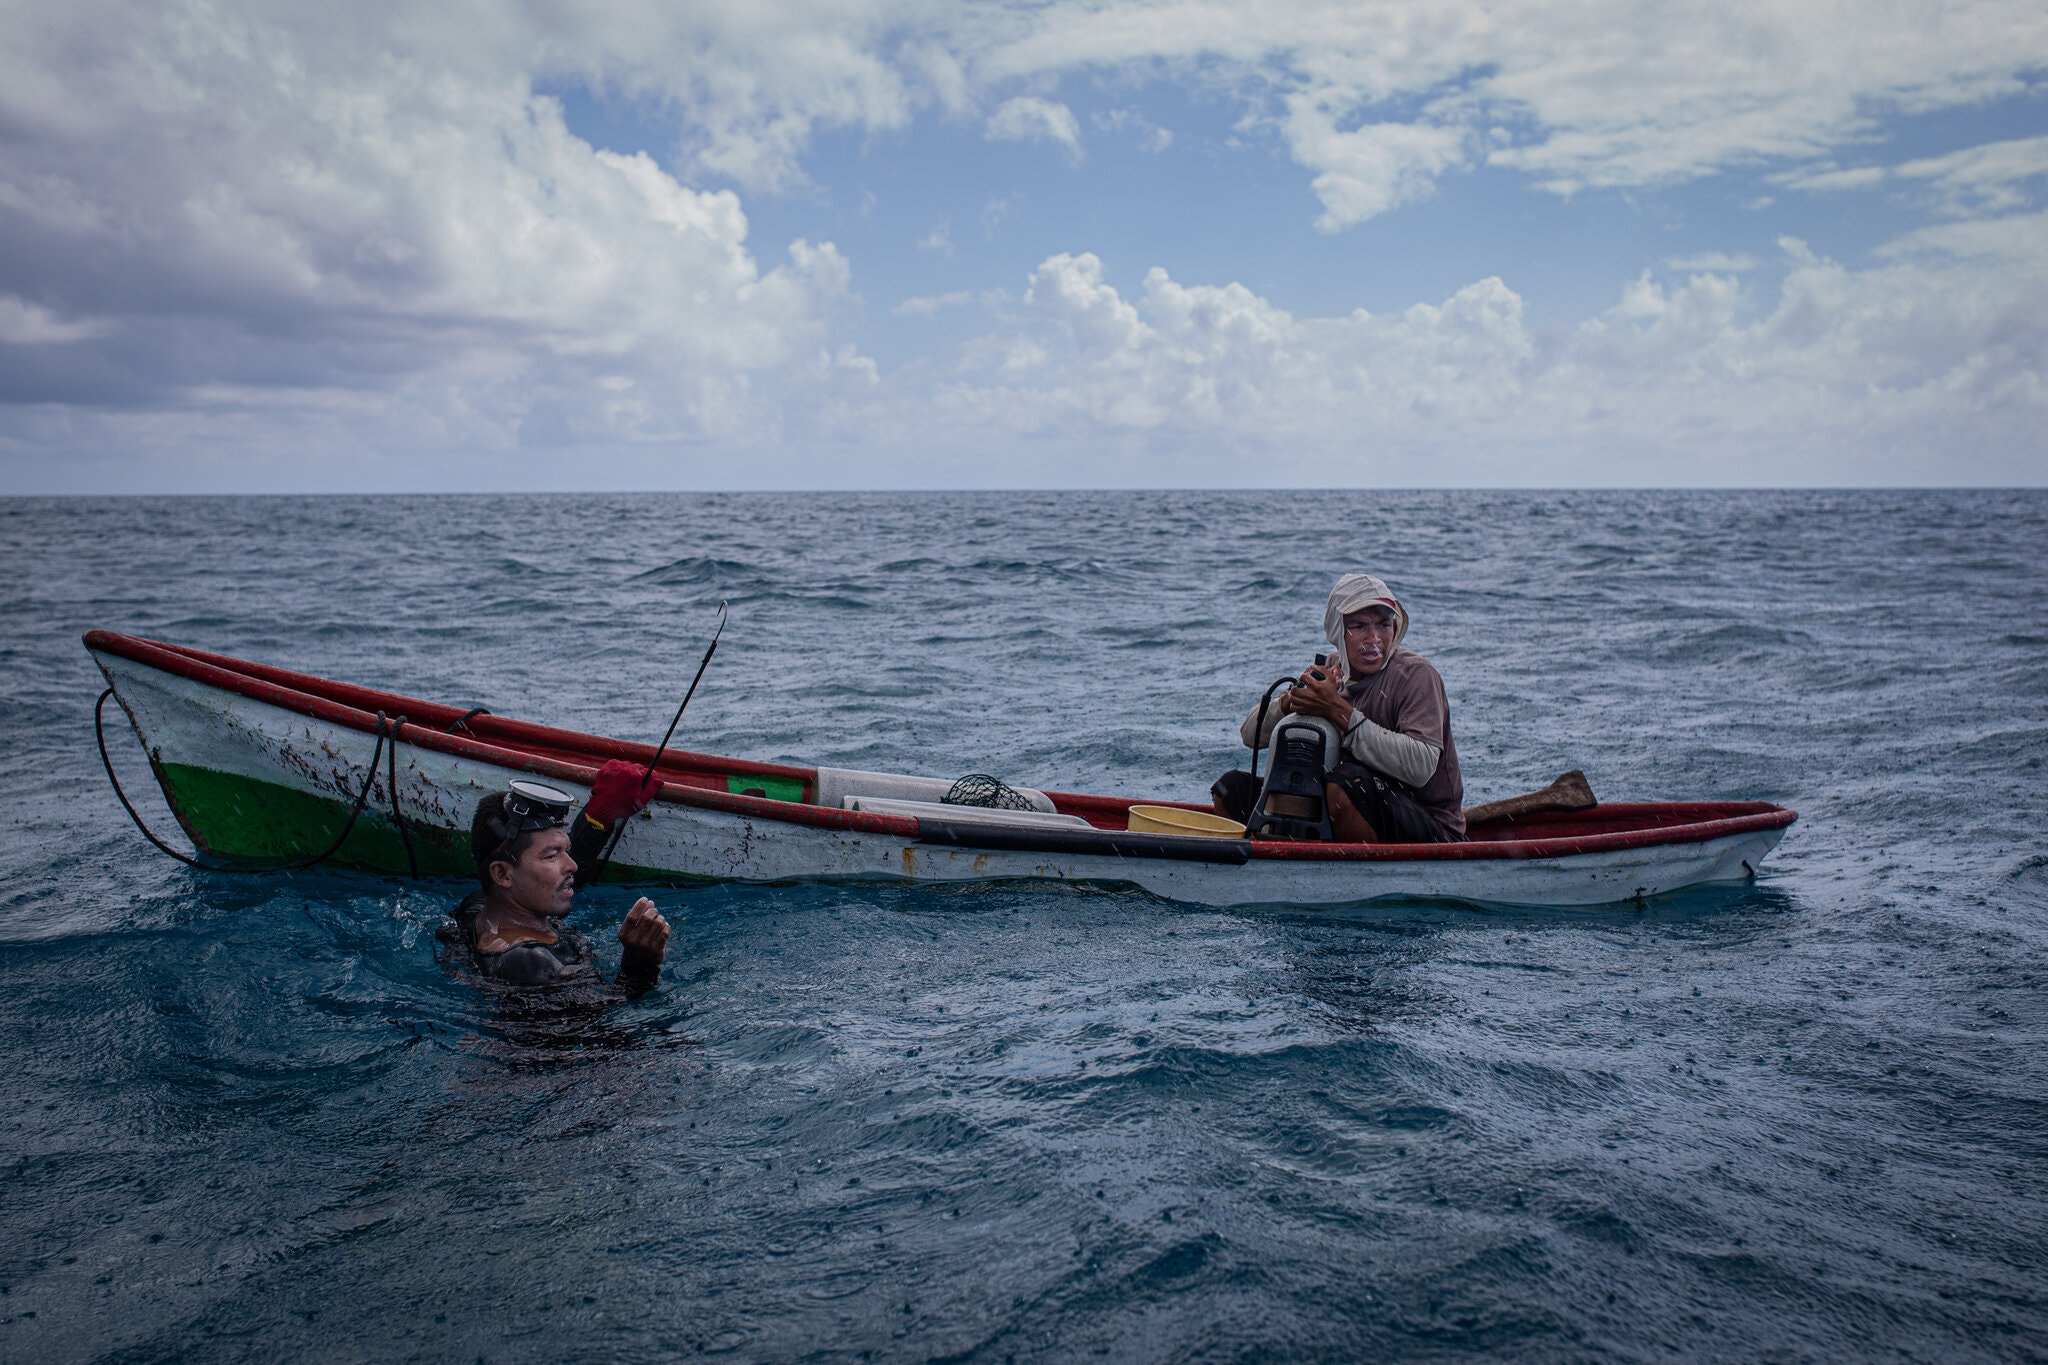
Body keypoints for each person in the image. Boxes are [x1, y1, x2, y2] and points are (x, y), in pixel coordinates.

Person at [1213, 573, 1465, 843]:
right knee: (1231, 788)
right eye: (1358, 626)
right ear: (1336, 630)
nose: (1374, 639)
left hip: (1428, 825)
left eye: (1383, 625)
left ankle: (1351, 876)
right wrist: (1290, 702)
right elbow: (1249, 736)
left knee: (1345, 784)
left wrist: (1338, 712)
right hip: (1336, 811)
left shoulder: (1416, 675)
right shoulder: (1329, 673)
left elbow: (1420, 767)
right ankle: (1271, 860)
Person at [437, 761, 671, 996]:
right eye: (551, 856)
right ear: (502, 874)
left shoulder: (476, 909)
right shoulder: (533, 967)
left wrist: (600, 814)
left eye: (565, 851)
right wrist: (640, 964)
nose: (572, 865)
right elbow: (610, 1028)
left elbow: (540, 876)